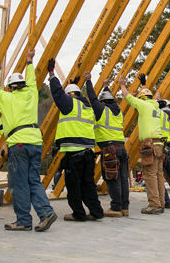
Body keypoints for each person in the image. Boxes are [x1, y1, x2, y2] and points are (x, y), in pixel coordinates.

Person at [0, 50, 57, 232]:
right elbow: (33, 80)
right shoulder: (32, 94)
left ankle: (24, 220)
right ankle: (46, 213)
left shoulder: (7, 98)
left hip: (19, 144)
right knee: (33, 180)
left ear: (11, 87)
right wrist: (29, 61)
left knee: (18, 183)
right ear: (23, 85)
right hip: (35, 142)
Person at [48, 59, 104, 222]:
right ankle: (96, 211)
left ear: (70, 95)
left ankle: (78, 213)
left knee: (73, 185)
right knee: (88, 184)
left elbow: (58, 93)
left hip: (74, 154)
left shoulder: (69, 103)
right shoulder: (87, 107)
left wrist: (51, 73)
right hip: (88, 153)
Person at [83, 71, 129, 217]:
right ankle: (124, 208)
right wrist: (106, 86)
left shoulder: (102, 110)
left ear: (103, 102)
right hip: (121, 149)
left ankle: (116, 208)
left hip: (110, 150)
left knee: (112, 177)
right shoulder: (118, 112)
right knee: (122, 179)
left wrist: (88, 81)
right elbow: (106, 99)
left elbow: (92, 98)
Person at [119, 73, 165, 214]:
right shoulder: (156, 106)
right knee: (158, 175)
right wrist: (143, 84)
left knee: (149, 175)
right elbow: (151, 97)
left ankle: (154, 205)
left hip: (149, 144)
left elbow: (129, 98)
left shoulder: (144, 105)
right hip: (159, 145)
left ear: (142, 99)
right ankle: (161, 203)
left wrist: (122, 84)